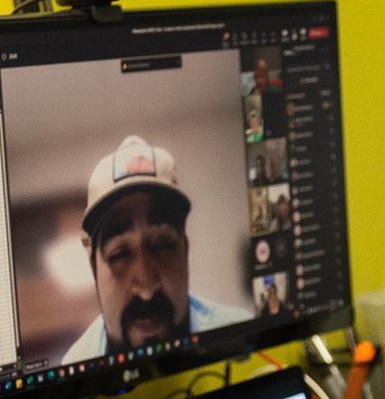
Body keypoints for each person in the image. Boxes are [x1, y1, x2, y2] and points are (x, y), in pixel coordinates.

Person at [61, 136, 251, 364]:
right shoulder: (76, 367)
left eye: (163, 245)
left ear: (185, 253)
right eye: (120, 254)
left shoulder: (243, 340)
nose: (147, 289)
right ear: (93, 267)